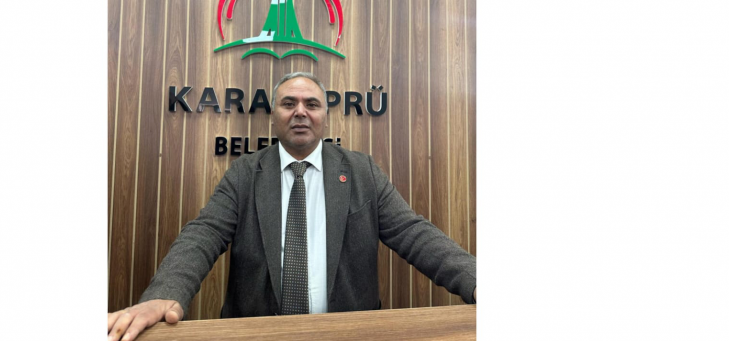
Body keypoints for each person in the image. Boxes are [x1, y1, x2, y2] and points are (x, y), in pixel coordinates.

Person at [108, 72, 476, 341]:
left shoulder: (361, 171)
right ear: (274, 114)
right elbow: (202, 236)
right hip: (259, 335)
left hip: (348, 334)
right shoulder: (245, 173)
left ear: (324, 114)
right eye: (289, 103)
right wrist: (164, 295)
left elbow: (413, 233)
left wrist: (477, 280)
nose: (300, 112)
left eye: (311, 104)